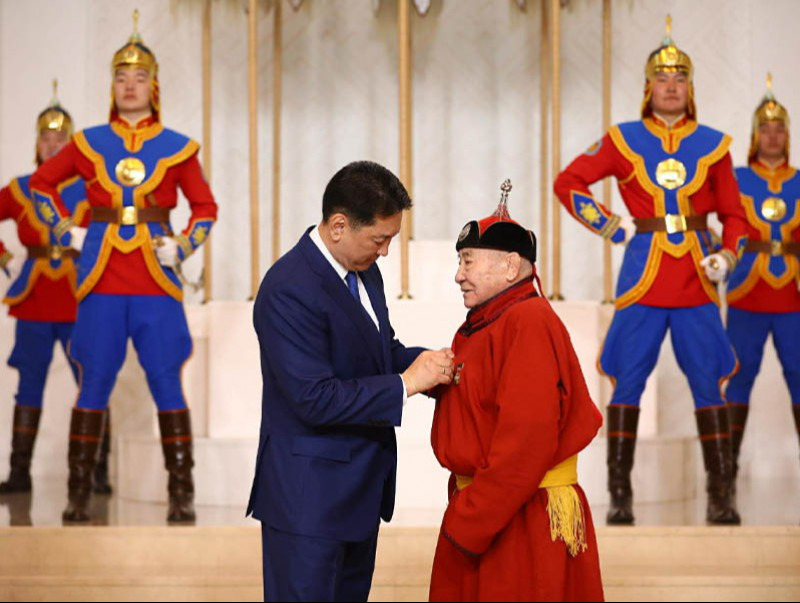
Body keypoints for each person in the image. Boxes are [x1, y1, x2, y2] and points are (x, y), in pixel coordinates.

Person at [553, 17, 747, 525]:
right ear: (648, 87)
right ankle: (620, 494)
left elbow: (735, 216)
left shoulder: (715, 144)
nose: (671, 86)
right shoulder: (624, 139)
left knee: (708, 382)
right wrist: (609, 224)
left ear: (690, 87)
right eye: (662, 79)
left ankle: (720, 494)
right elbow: (568, 182)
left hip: (697, 278)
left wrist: (728, 256)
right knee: (627, 381)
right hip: (643, 276)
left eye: (680, 79)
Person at [29, 11, 217, 523]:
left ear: (153, 85)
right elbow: (41, 185)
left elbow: (205, 207)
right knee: (93, 380)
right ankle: (78, 494)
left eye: (138, 77)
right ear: (111, 86)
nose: (129, 85)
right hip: (101, 276)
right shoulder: (87, 142)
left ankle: (182, 493)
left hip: (157, 279)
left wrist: (184, 244)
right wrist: (65, 231)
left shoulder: (178, 147)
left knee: (167, 381)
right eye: (120, 77)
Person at [248, 160, 455, 602]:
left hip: (357, 493)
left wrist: (432, 365)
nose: (386, 252)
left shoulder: (364, 271)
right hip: (308, 501)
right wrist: (405, 384)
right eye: (380, 240)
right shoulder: (288, 288)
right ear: (339, 225)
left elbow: (381, 354)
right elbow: (313, 398)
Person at [428, 181, 604, 602]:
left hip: (518, 517)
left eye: (467, 261)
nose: (458, 275)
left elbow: (526, 441)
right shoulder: (492, 320)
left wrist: (470, 518)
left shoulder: (527, 321)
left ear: (510, 266)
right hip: (499, 509)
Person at [0, 84, 111, 496]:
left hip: (80, 299)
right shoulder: (20, 188)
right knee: (29, 382)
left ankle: (97, 471)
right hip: (33, 300)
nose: (52, 145)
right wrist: (5, 258)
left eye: (61, 138)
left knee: (92, 379)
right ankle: (19, 472)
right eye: (46, 138)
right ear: (37, 143)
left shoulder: (91, 186)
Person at [726, 76, 800, 483]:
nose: (773, 136)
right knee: (737, 375)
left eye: (779, 129)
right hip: (746, 293)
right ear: (756, 135)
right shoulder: (736, 178)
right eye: (766, 129)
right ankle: (726, 474)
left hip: (792, 297)